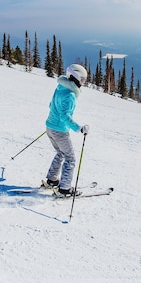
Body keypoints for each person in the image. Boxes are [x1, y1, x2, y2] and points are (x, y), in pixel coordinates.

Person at [44, 64, 89, 196]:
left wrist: (54, 122)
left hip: (50, 127)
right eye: (81, 80)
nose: (82, 83)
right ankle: (64, 189)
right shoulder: (70, 95)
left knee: (61, 153)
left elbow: (51, 105)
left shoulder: (60, 87)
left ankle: (52, 180)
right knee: (70, 158)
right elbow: (65, 116)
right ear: (74, 78)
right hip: (59, 131)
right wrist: (79, 128)